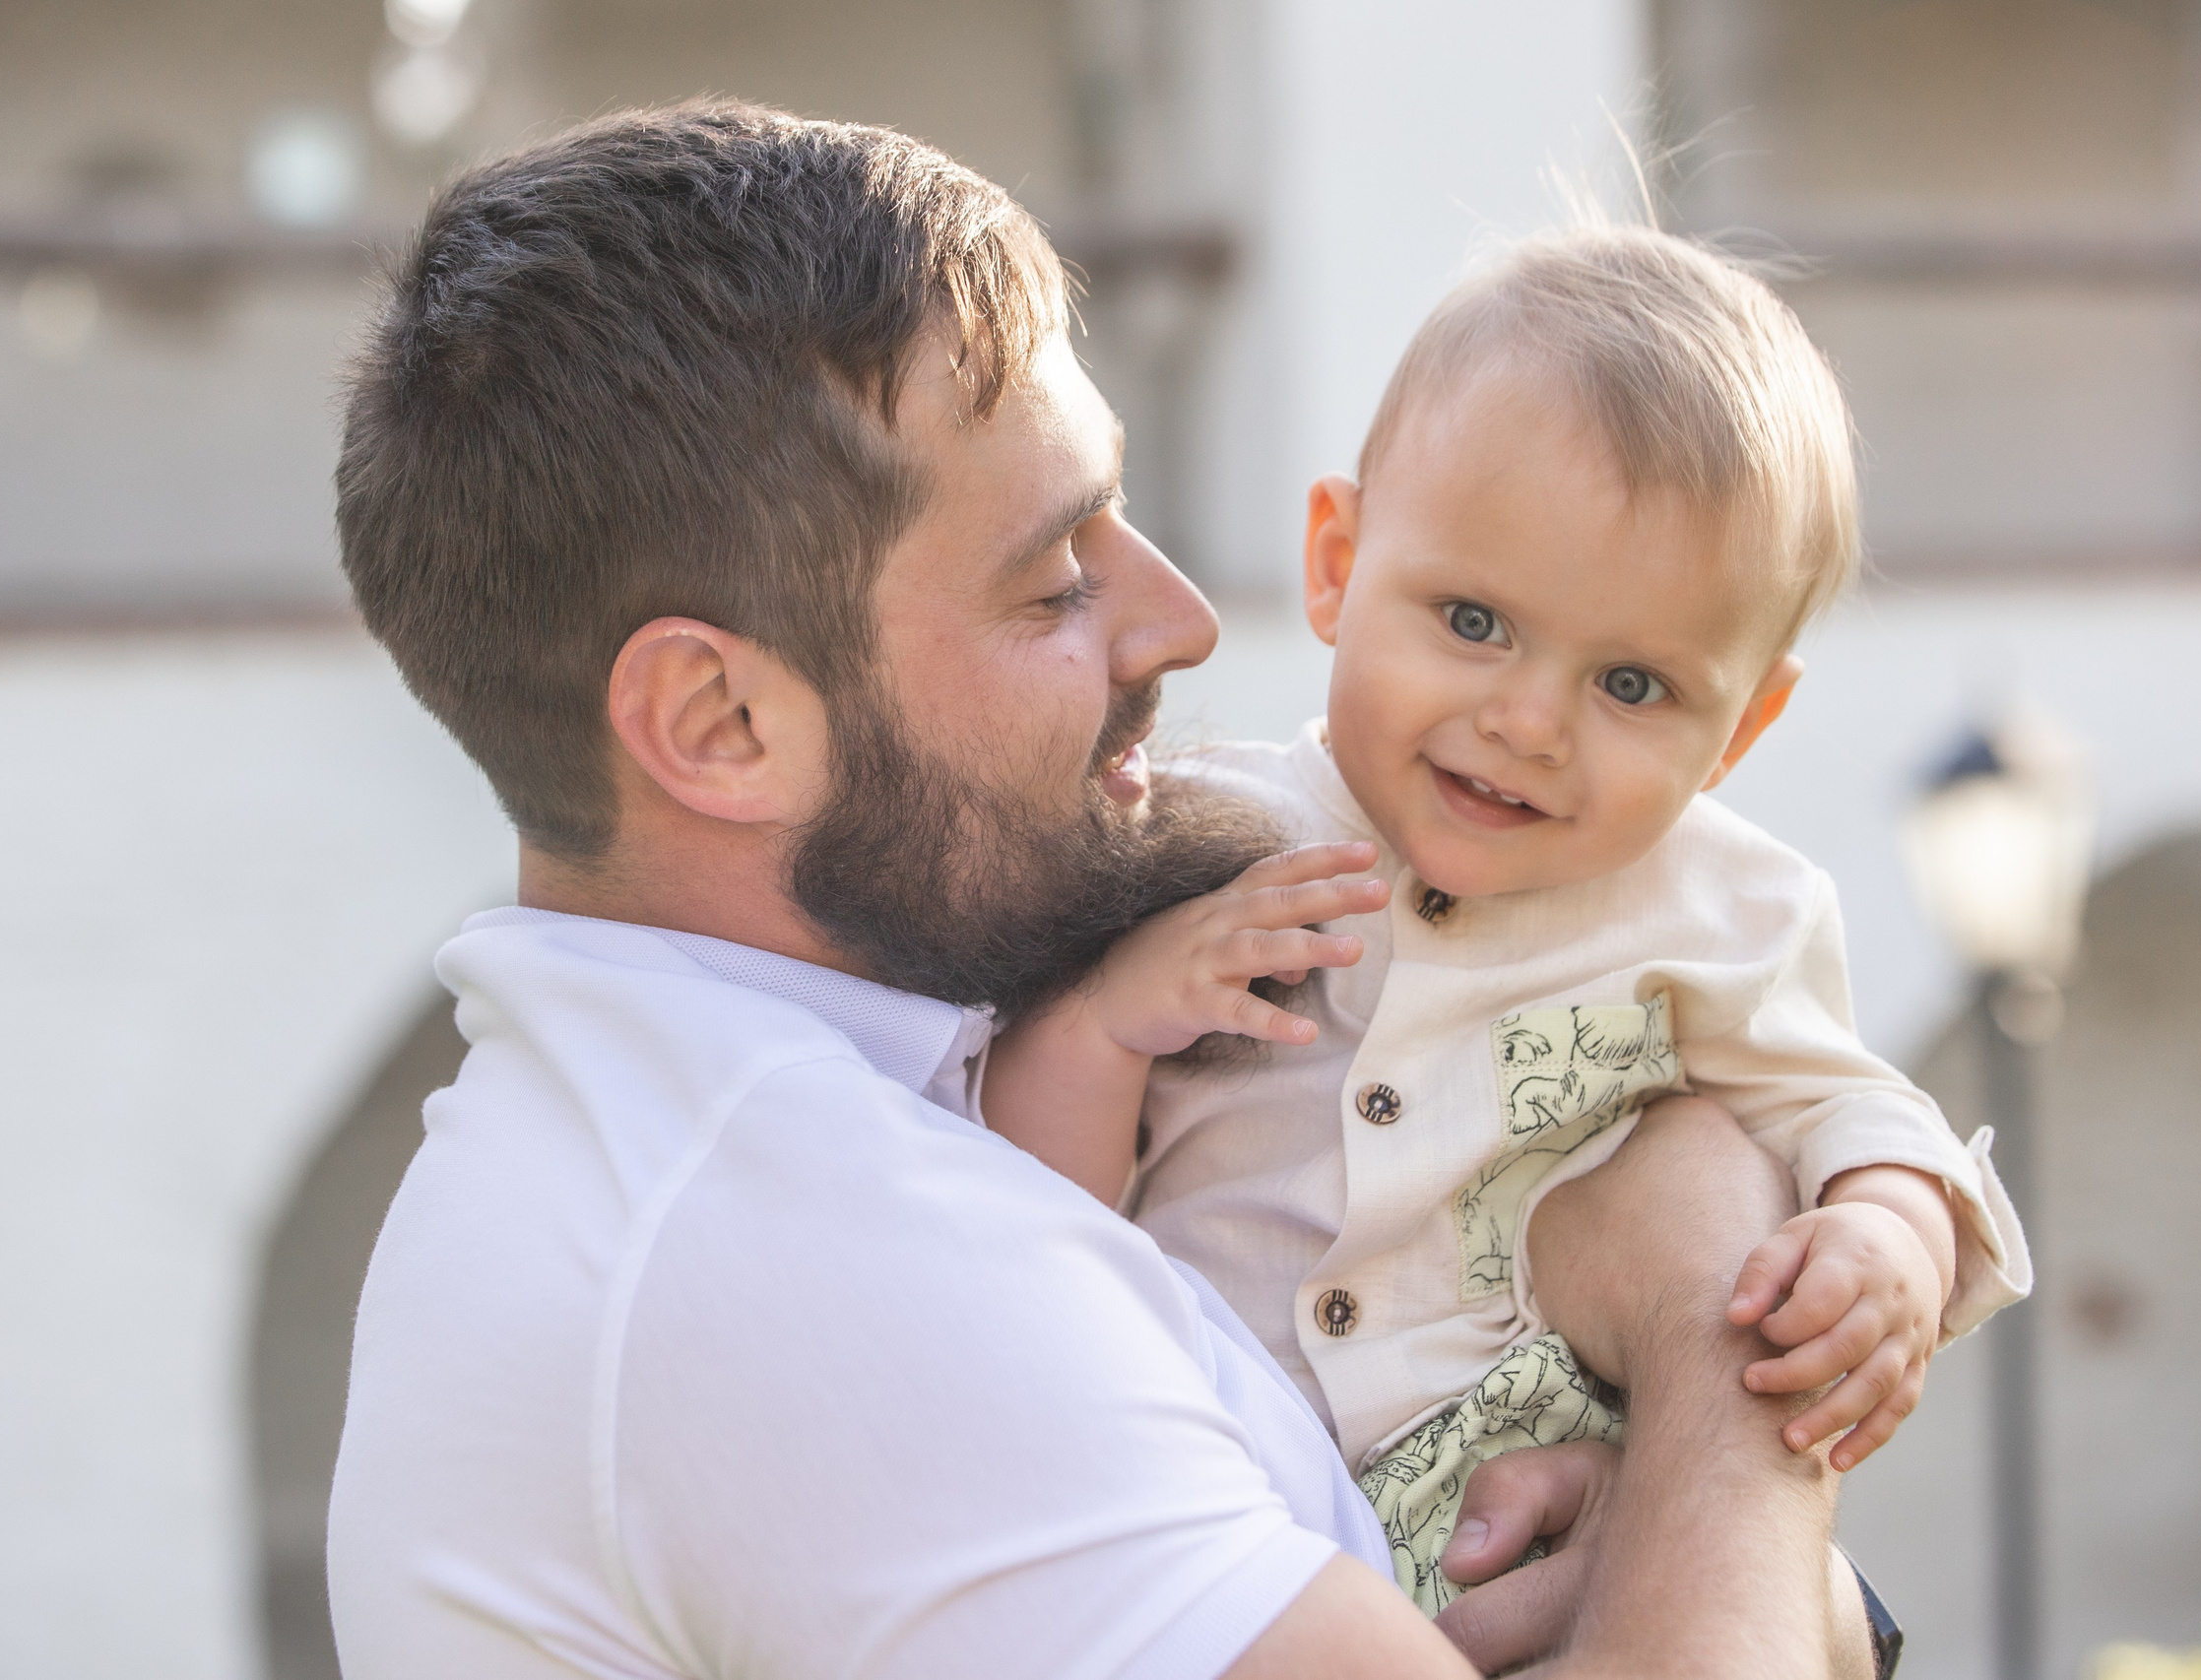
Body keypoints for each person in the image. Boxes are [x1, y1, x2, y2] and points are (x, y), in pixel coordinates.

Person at [325, 101, 1880, 1679]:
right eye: (1056, 578)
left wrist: (1737, 1579)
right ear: (722, 723)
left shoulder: (695, 1149)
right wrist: (1705, 1300)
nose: (1182, 620)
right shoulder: (820, 1260)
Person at [979, 225, 2033, 1613]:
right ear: (1337, 562)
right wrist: (1108, 1023)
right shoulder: (1189, 840)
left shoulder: (1724, 910)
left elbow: (1855, 1107)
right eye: (1474, 620)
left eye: (1634, 686)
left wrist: (1888, 1234)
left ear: (1742, 726)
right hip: (1219, 1534)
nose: (1530, 722)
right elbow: (1019, 1212)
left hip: (1535, 1557)